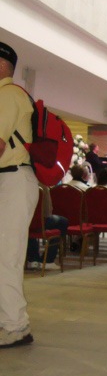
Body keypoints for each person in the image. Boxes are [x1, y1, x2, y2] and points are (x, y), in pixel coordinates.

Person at [0, 41, 38, 348]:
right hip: (10, 181)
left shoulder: (8, 95)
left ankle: (15, 326)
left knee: (7, 257)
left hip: (12, 180)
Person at [26, 184, 68, 271]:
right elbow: (47, 211)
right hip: (39, 222)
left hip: (22, 222)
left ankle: (33, 259)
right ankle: (48, 260)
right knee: (63, 221)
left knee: (29, 230)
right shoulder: (42, 186)